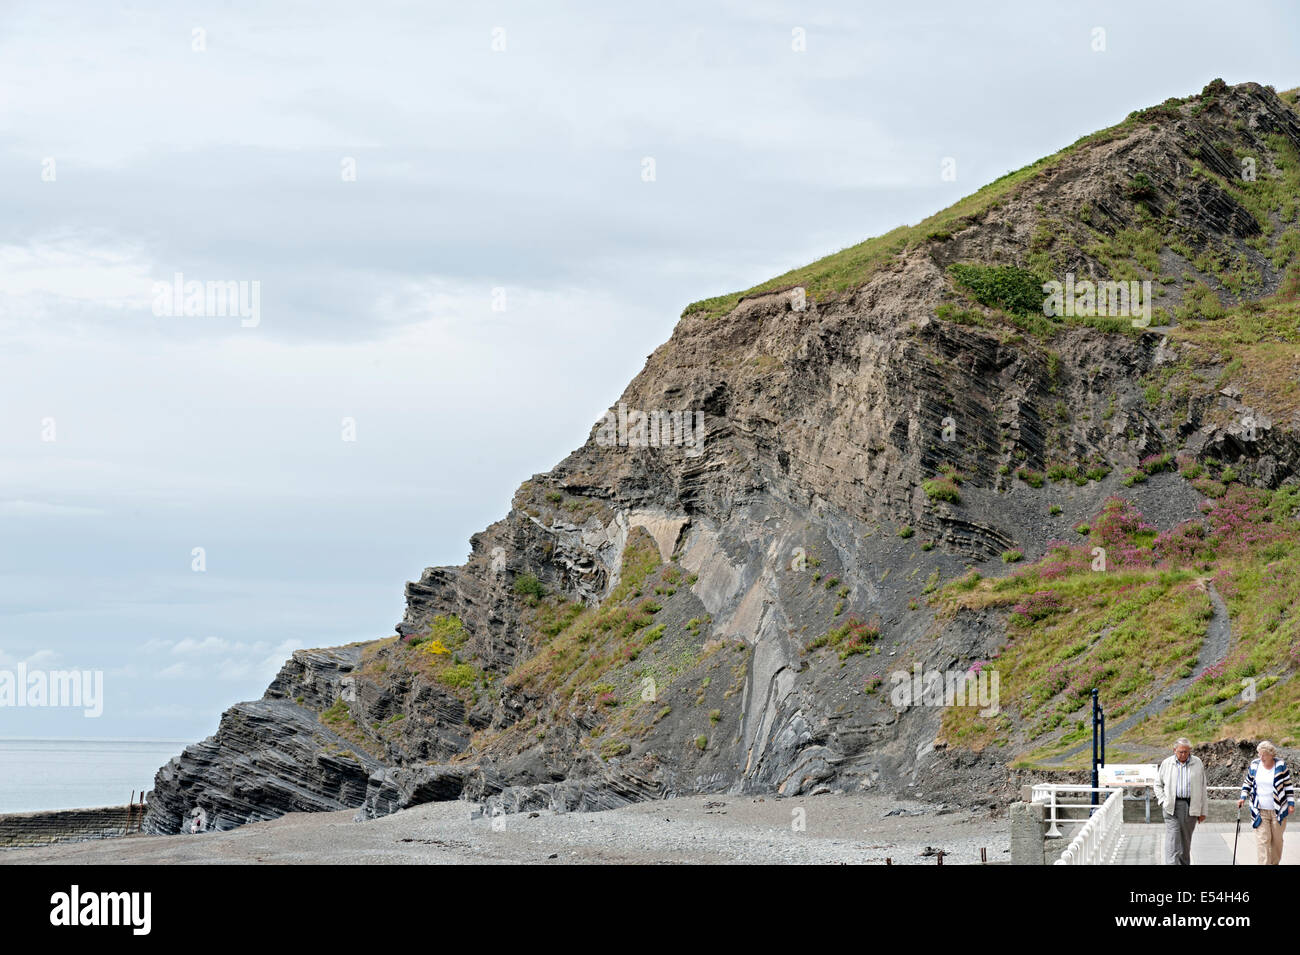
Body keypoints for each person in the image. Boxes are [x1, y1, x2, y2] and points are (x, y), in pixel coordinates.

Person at [1237, 741, 1294, 865]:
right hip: (1260, 810)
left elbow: (1288, 785)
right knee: (1263, 842)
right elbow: (1248, 782)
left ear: (1271, 754)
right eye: (1259, 754)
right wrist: (1243, 797)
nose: (1261, 757)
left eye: (1264, 754)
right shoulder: (1255, 765)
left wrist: (1291, 804)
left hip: (1278, 811)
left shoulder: (1280, 765)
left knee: (1277, 842)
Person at [1152, 738, 1207, 865]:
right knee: (1173, 841)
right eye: (1181, 752)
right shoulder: (1167, 763)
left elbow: (1203, 787)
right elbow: (1157, 785)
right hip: (1171, 807)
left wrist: (1203, 811)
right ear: (1174, 750)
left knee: (1185, 843)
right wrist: (1163, 801)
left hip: (1190, 807)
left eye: (1186, 752)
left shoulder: (1197, 763)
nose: (1183, 755)